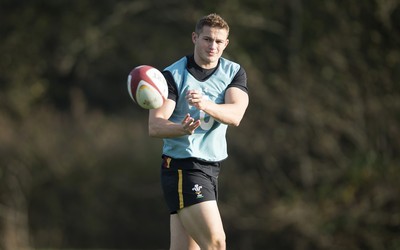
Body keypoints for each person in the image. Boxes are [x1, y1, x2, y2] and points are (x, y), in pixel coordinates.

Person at [148, 13, 248, 250]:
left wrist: (205, 105)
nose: (212, 46)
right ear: (195, 38)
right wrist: (181, 128)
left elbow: (235, 115)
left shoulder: (233, 72)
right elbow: (155, 125)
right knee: (216, 244)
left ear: (226, 44)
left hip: (211, 169)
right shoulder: (173, 75)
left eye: (218, 41)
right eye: (207, 39)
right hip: (183, 168)